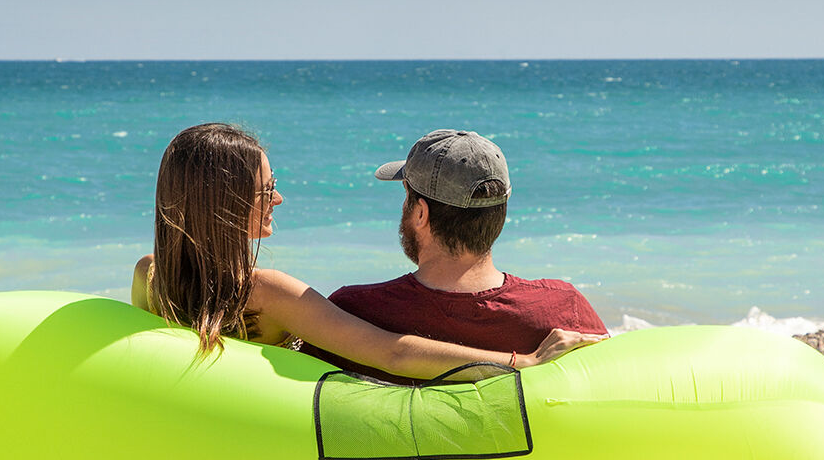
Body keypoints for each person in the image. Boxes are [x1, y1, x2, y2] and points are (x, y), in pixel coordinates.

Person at [131, 122, 593, 382]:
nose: (278, 198)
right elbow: (391, 353)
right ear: (224, 204)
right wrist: (522, 362)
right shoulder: (268, 292)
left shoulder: (149, 275)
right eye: (267, 189)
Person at [301, 129, 607, 381]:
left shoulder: (353, 313)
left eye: (406, 197)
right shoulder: (564, 310)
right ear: (501, 214)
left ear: (420, 213)